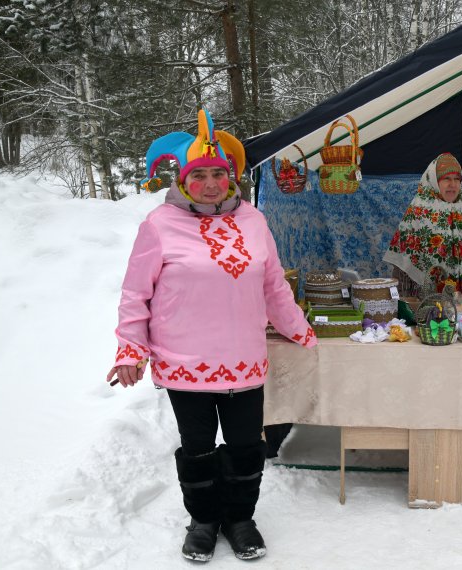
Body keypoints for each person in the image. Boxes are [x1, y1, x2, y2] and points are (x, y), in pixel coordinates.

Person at [106, 109, 316, 562]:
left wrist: (300, 330)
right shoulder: (159, 225)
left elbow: (274, 286)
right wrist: (130, 351)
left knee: (246, 447)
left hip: (244, 360)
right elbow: (136, 295)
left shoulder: (254, 221)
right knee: (198, 449)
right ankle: (203, 521)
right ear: (182, 181)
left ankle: (240, 519)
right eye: (198, 175)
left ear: (231, 176)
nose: (210, 184)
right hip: (184, 363)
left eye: (218, 174)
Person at [382, 152, 462, 302]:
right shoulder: (418, 212)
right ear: (434, 181)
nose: (453, 184)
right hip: (425, 304)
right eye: (447, 179)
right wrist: (406, 303)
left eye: (457, 179)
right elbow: (404, 267)